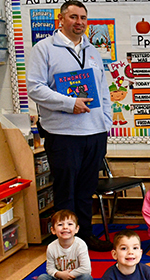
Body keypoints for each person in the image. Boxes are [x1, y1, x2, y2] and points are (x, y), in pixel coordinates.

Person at [25, 0, 113, 252]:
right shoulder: (44, 48)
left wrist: (105, 122)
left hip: (95, 133)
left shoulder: (92, 50)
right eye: (73, 17)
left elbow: (103, 89)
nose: (79, 22)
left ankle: (85, 238)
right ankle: (65, 244)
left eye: (83, 17)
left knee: (86, 190)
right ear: (60, 20)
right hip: (63, 134)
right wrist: (68, 103)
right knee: (66, 191)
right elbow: (35, 88)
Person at [35, 210, 93, 280]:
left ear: (76, 229)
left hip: (76, 279)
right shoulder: (51, 247)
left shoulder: (80, 245)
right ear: (53, 230)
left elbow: (86, 269)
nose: (65, 227)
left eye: (70, 224)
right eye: (60, 225)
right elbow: (50, 269)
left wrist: (69, 275)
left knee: (88, 279)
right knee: (41, 279)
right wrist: (60, 275)